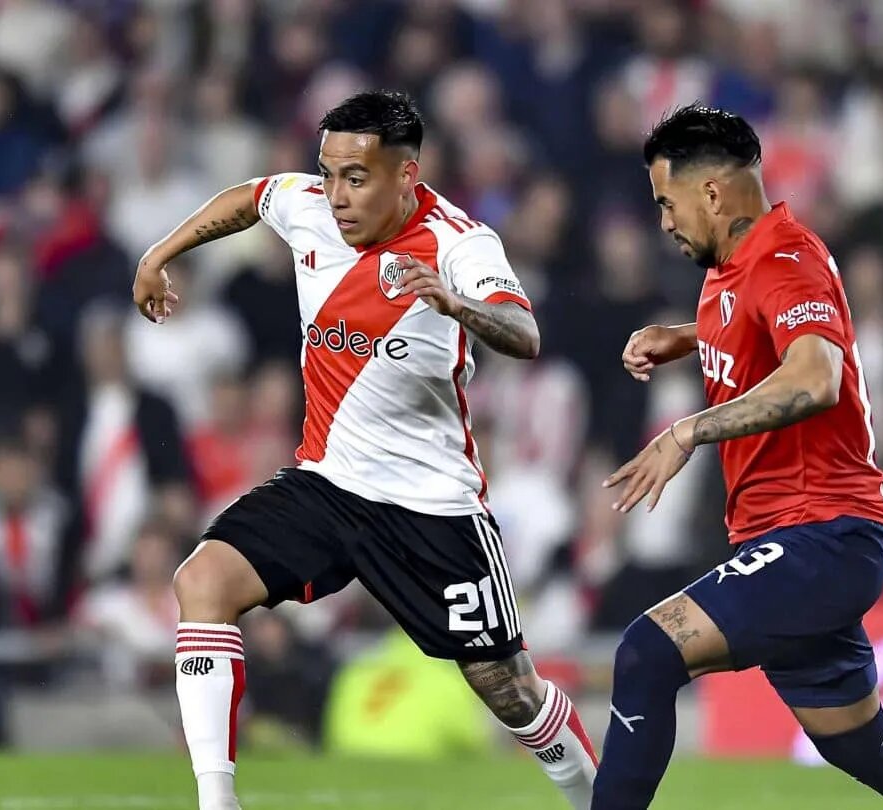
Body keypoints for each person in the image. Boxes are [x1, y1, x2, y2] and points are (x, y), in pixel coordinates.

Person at [131, 90, 595, 810]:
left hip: (431, 506)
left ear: (407, 175)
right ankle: (217, 803)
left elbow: (524, 334)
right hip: (328, 484)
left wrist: (456, 304)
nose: (337, 195)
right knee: (203, 582)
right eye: (328, 173)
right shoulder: (308, 207)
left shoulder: (461, 243)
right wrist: (160, 253)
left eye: (356, 177)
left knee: (509, 690)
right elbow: (251, 198)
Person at [592, 104, 883, 809]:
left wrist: (687, 432)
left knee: (646, 652)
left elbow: (814, 378)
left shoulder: (784, 259)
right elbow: (756, 320)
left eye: (667, 202)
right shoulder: (737, 265)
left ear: (713, 193)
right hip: (798, 538)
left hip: (821, 536)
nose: (664, 222)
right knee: (857, 739)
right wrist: (685, 335)